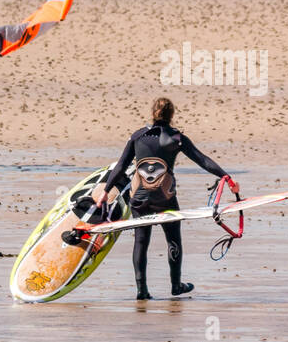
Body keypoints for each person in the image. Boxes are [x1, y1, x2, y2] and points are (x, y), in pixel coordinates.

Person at [92, 97, 236, 300]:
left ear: (152, 113)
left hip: (139, 199)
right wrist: (226, 177)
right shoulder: (177, 139)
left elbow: (121, 166)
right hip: (165, 199)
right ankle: (176, 285)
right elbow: (202, 159)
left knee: (141, 242)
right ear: (172, 115)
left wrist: (106, 191)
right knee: (173, 239)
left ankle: (142, 291)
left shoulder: (137, 136)